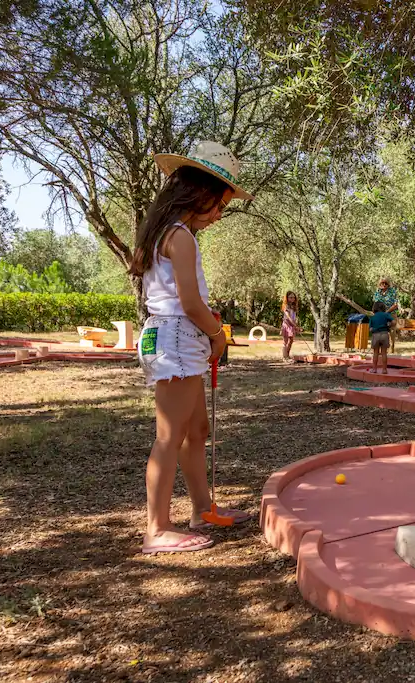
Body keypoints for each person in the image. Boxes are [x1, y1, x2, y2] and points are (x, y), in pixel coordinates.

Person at [131, 140, 254, 554]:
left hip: (175, 338)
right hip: (177, 337)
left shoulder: (167, 233)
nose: (220, 214)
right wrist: (218, 335)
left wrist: (208, 334)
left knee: (195, 430)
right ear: (200, 192)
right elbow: (189, 303)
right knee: (170, 435)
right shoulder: (180, 237)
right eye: (220, 203)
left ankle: (202, 508)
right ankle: (157, 529)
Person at [372, 277, 400, 353]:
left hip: (391, 314)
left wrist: (386, 312)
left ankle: (392, 348)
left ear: (388, 284)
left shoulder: (393, 292)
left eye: (386, 283)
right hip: (380, 315)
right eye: (382, 283)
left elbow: (395, 304)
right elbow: (375, 304)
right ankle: (382, 349)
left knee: (391, 331)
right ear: (380, 284)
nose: (384, 285)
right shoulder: (377, 292)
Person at [369, 301, 396, 374]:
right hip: (384, 334)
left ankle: (374, 369)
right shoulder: (386, 315)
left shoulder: (373, 317)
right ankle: (384, 370)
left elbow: (370, 329)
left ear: (374, 308)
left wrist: (374, 329)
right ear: (383, 308)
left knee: (375, 353)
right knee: (384, 353)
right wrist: (389, 326)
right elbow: (394, 322)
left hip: (376, 335)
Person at [281, 291, 302, 362]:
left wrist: (296, 325)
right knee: (285, 342)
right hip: (287, 325)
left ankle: (287, 355)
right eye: (290, 297)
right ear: (287, 298)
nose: (292, 299)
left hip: (292, 325)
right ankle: (284, 357)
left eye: (293, 297)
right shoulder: (286, 306)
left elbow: (294, 317)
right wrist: (295, 325)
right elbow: (288, 317)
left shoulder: (294, 307)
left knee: (291, 341)